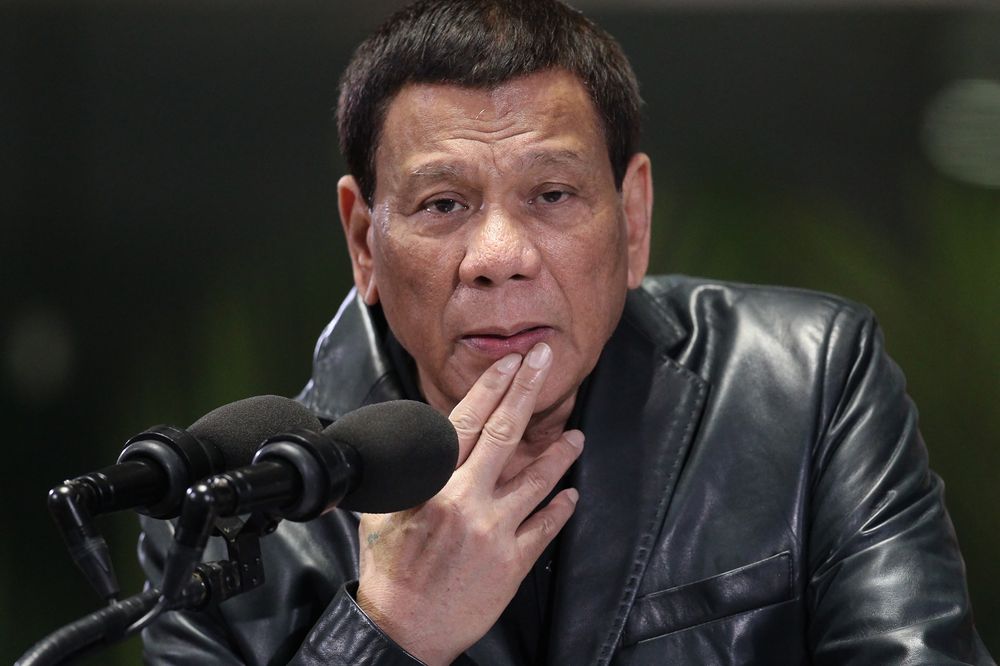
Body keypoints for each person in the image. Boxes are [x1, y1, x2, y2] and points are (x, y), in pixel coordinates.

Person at [138, 0, 994, 663]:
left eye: (552, 195)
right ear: (365, 240)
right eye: (444, 205)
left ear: (633, 219)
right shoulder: (233, 518)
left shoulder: (804, 383)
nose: (499, 257)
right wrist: (391, 631)